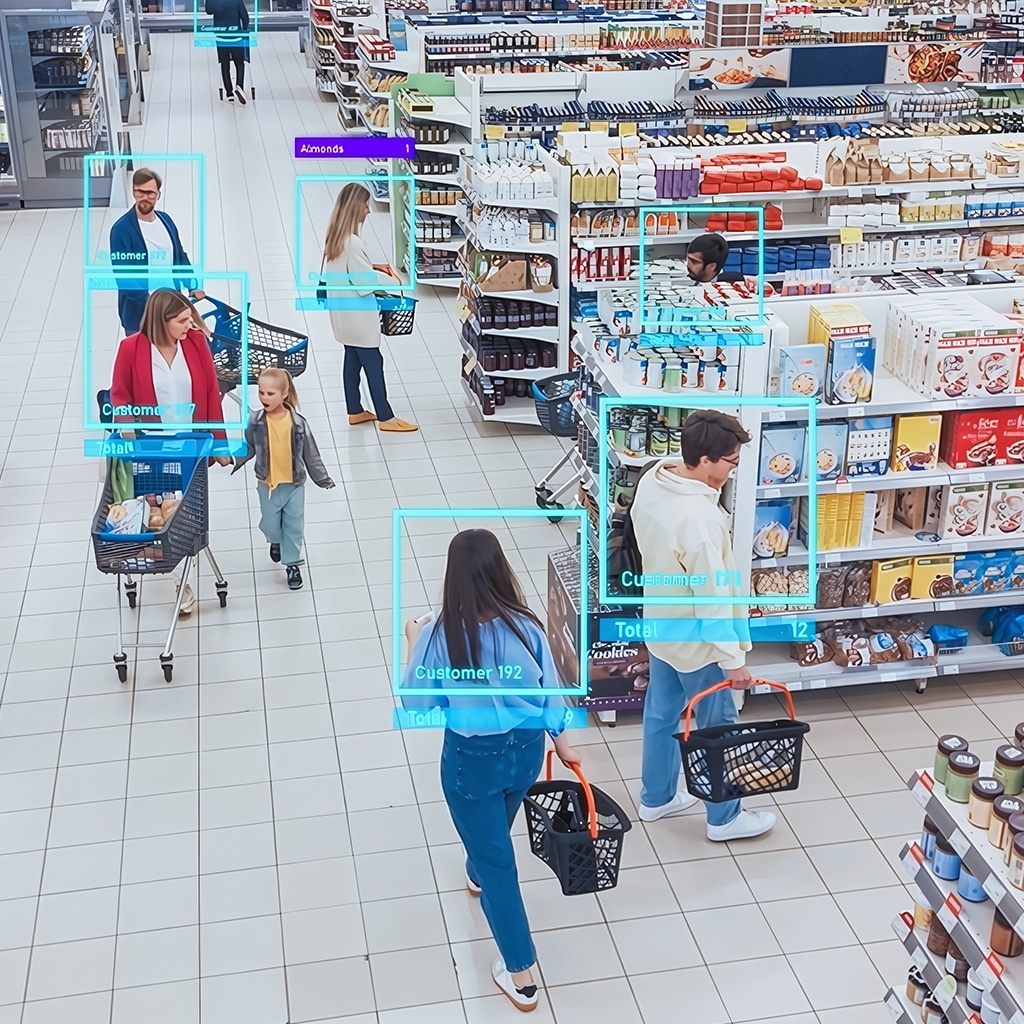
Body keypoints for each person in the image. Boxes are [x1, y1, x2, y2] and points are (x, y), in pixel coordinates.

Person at [402, 529, 580, 1013]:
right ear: (501, 570)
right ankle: (476, 867)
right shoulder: (527, 626)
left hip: (471, 760)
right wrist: (564, 745)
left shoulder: (441, 634)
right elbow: (550, 693)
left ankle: (520, 975)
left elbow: (418, 702)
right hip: (525, 749)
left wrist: (413, 640)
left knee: (500, 866)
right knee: (494, 835)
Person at [629, 409, 776, 843]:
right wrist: (732, 662)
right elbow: (711, 599)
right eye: (731, 462)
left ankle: (655, 798)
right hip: (699, 643)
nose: (732, 471)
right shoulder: (699, 521)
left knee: (660, 714)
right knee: (717, 729)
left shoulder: (655, 480)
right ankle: (725, 818)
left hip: (661, 625)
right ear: (707, 459)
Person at [110, 288, 231, 615]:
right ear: (161, 322)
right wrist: (126, 426)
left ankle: (180, 575)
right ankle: (180, 579)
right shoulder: (130, 348)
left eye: (190, 319)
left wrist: (219, 443)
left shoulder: (195, 343)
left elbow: (210, 393)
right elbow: (119, 396)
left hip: (190, 445)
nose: (190, 326)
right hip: (151, 446)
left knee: (185, 512)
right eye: (181, 321)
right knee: (161, 515)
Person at [323, 182, 417, 433]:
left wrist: (372, 267)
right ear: (356, 208)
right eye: (366, 205)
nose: (369, 210)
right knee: (374, 363)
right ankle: (386, 417)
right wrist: (394, 280)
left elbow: (348, 272)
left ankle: (355, 410)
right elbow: (364, 284)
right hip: (358, 317)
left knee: (352, 361)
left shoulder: (335, 238)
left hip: (343, 316)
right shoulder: (353, 242)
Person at [232, 368, 335, 591]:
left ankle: (292, 565)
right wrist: (232, 459)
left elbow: (311, 454)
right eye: (261, 392)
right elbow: (248, 447)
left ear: (284, 394)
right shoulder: (255, 421)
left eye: (270, 393)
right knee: (271, 524)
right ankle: (274, 540)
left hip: (294, 485)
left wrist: (322, 478)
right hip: (267, 485)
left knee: (293, 526)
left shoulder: (298, 423)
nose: (264, 398)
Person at [109, 168, 204, 335]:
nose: (145, 198)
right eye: (140, 192)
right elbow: (124, 278)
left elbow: (180, 257)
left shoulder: (166, 220)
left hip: (172, 311)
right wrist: (153, 305)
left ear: (158, 195)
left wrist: (192, 285)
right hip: (140, 317)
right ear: (133, 192)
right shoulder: (121, 230)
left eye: (150, 193)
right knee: (145, 360)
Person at [205, 0, 250, 103]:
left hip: (221, 37)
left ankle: (229, 93)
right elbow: (245, 17)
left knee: (224, 64)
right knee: (239, 63)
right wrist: (244, 30)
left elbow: (208, 10)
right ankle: (239, 86)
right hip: (236, 37)